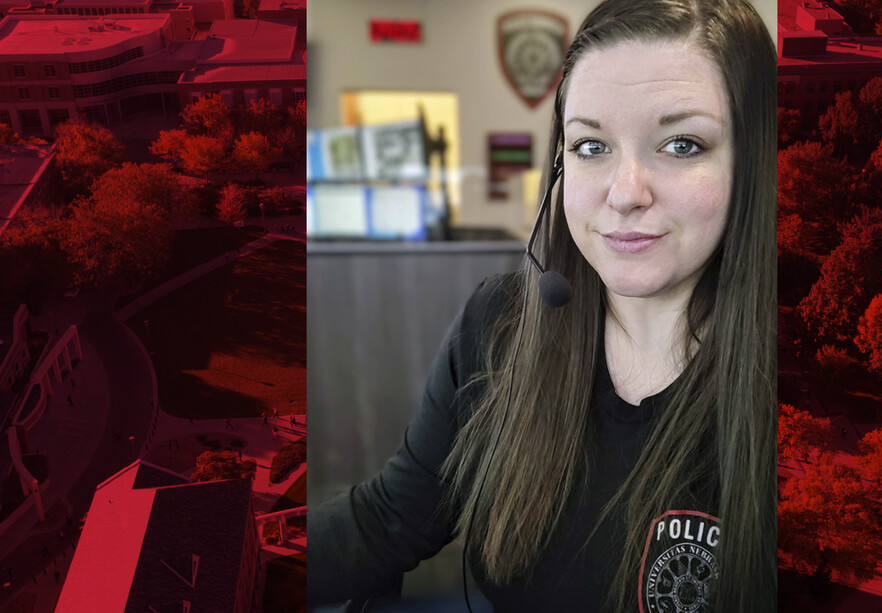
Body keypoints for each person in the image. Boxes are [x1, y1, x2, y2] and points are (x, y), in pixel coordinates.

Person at [309, 1, 776, 611]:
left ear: (754, 163)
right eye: (590, 146)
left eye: (682, 143)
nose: (625, 192)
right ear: (560, 165)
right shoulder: (500, 325)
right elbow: (391, 517)